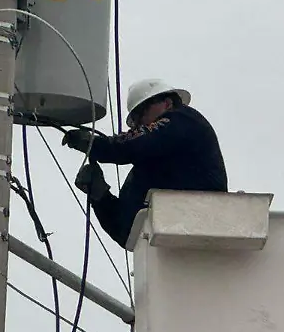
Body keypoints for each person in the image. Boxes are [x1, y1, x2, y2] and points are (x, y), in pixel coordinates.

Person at [61, 78, 228, 249]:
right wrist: (101, 197)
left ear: (167, 103)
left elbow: (131, 145)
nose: (138, 125)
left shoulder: (183, 119)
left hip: (196, 219)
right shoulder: (155, 165)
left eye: (140, 114)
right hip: (167, 237)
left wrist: (96, 144)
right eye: (134, 121)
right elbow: (126, 233)